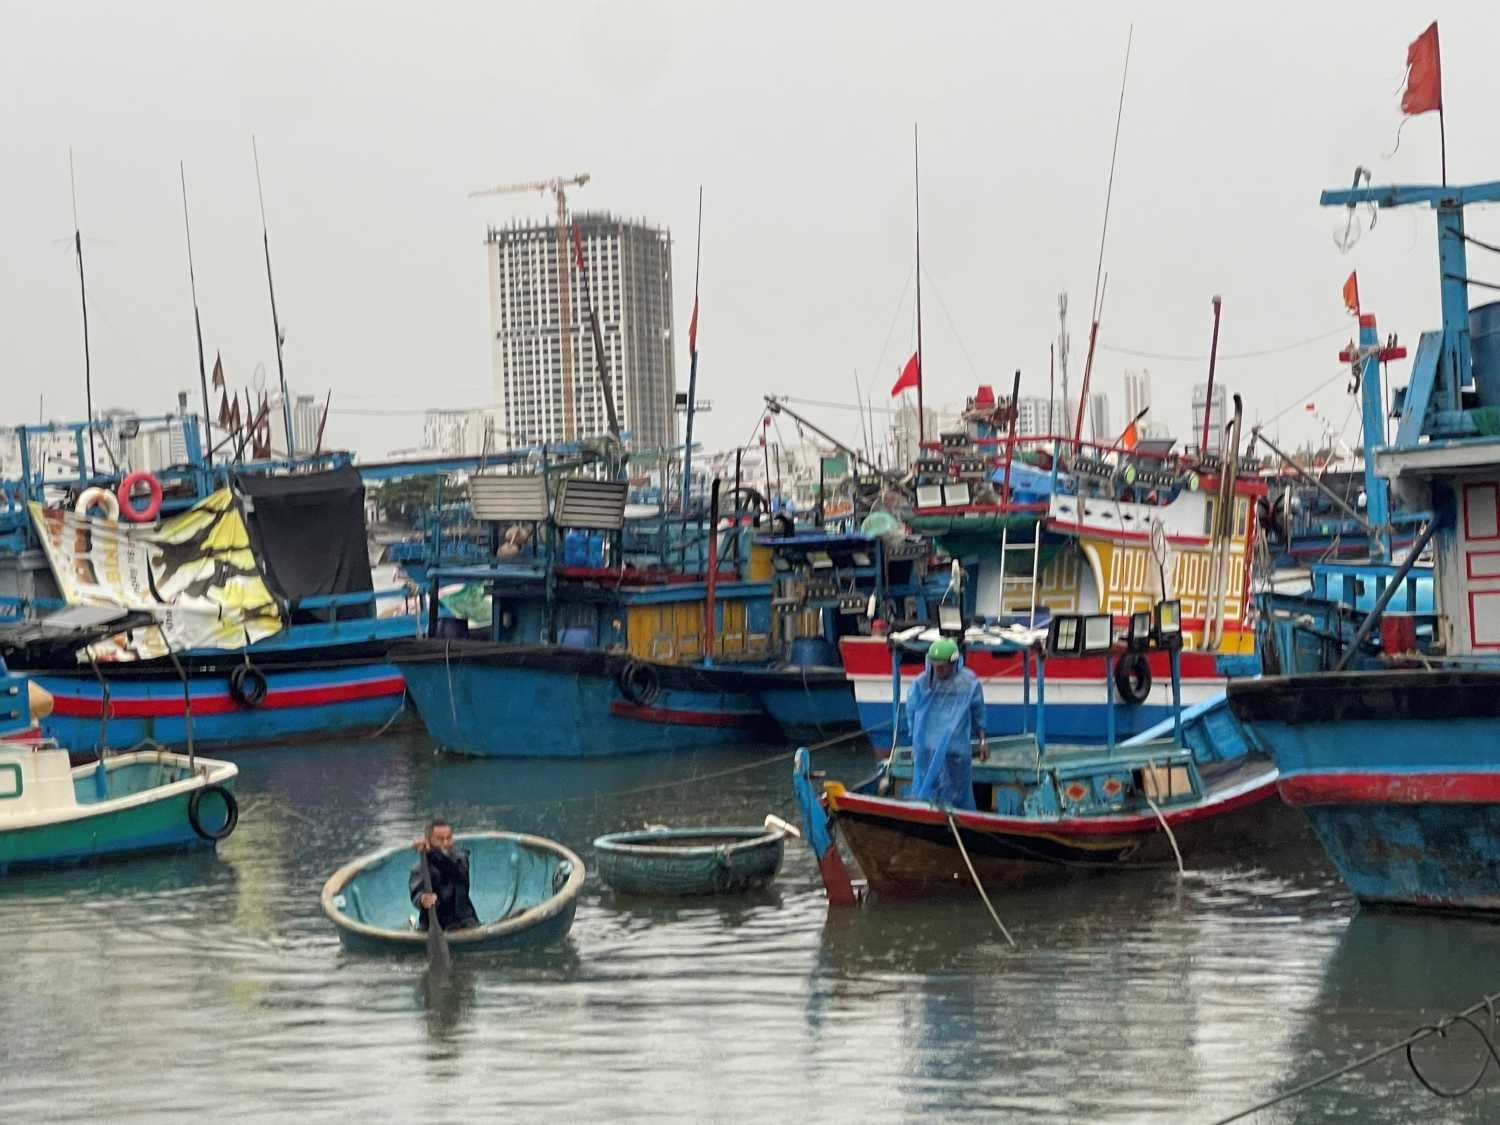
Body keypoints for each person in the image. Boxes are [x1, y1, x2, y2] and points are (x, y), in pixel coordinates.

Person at [905, 637, 986, 810]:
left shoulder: (968, 682)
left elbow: (978, 712)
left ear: (954, 662)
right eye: (934, 665)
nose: (938, 670)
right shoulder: (922, 682)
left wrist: (983, 741)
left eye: (942, 666)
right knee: (928, 787)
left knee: (958, 790)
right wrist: (914, 744)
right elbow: (912, 712)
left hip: (956, 747)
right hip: (927, 747)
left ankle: (959, 815)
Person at [410, 819, 480, 932]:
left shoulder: (461, 858)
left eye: (449, 838)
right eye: (440, 839)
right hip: (433, 922)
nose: (446, 843)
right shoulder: (419, 868)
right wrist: (423, 899)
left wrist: (430, 853)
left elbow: (454, 870)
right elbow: (416, 894)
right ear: (429, 840)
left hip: (465, 920)